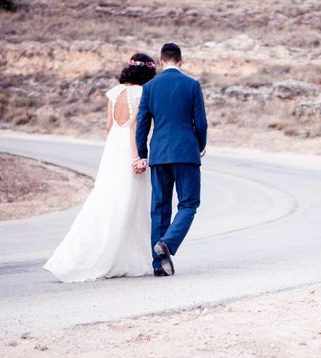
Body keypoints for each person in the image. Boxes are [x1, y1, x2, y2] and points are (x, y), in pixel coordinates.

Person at [44, 53, 156, 282]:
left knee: (106, 198)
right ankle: (123, 257)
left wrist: (112, 153)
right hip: (129, 147)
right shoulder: (142, 93)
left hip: (113, 148)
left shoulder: (114, 93)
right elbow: (134, 127)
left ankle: (79, 254)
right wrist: (137, 156)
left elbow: (108, 127)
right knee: (130, 202)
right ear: (148, 72)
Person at [135, 42, 208, 277]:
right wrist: (199, 146)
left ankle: (159, 265)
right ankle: (168, 243)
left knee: (159, 207)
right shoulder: (192, 85)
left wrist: (142, 153)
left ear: (161, 61)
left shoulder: (149, 87)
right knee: (188, 204)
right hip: (186, 152)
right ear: (181, 61)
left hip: (159, 154)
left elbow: (142, 124)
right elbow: (201, 122)